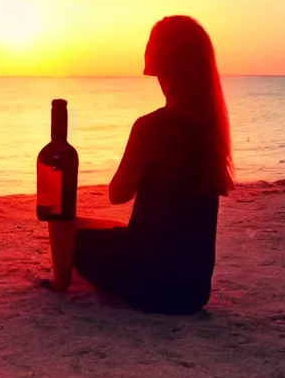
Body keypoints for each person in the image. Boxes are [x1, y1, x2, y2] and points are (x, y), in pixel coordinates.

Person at [48, 16, 233, 314]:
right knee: (116, 227)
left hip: (150, 286)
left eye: (151, 40)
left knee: (62, 222)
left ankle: (57, 284)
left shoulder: (151, 127)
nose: (145, 48)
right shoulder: (210, 127)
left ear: (164, 56)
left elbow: (117, 194)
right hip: (193, 291)